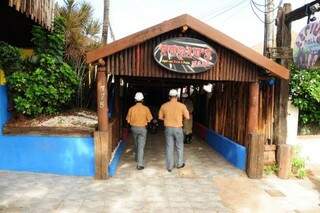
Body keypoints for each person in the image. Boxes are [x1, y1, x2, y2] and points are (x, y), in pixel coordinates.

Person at [159, 89, 190, 172]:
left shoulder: (164, 106)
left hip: (168, 129)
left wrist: (168, 118)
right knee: (179, 146)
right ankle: (179, 164)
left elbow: (160, 117)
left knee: (169, 147)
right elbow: (187, 117)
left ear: (169, 97)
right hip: (178, 128)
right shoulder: (182, 106)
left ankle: (170, 167)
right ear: (177, 96)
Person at [126, 92, 153, 170]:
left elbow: (128, 120)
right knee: (141, 146)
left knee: (136, 143)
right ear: (142, 100)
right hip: (142, 129)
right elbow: (150, 119)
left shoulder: (131, 109)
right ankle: (140, 164)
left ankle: (136, 158)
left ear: (135, 100)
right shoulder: (146, 108)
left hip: (134, 128)